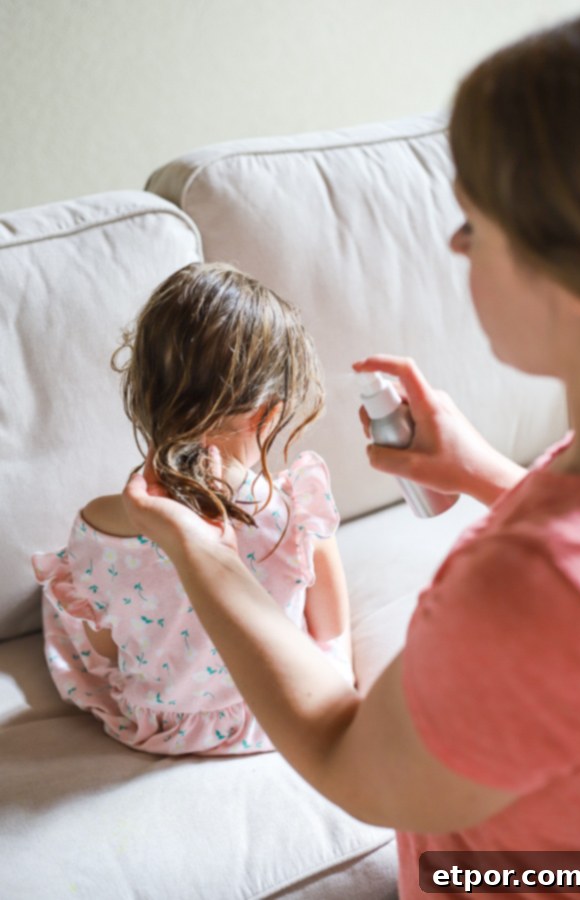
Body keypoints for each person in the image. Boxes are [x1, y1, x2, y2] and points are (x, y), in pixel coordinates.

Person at [119, 11, 580, 897]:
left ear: (566, 277)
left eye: (475, 224)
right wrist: (486, 472)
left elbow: (347, 751)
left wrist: (191, 546)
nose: (456, 247)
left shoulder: (525, 595)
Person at [33, 262, 353, 756]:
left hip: (161, 726)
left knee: (66, 601)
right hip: (281, 717)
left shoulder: (98, 526)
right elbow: (330, 627)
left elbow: (106, 653)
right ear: (269, 413)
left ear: (143, 397)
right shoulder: (294, 509)